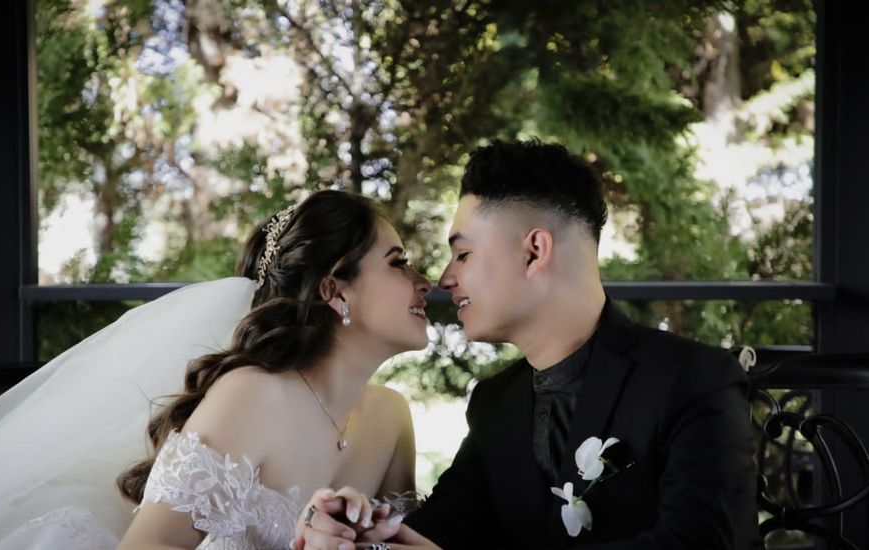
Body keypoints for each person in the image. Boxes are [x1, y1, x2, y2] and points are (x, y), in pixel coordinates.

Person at [296, 140, 762, 549]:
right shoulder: (496, 403)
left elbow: (701, 541)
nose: (445, 279)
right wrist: (361, 529)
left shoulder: (693, 379)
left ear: (534, 251)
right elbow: (443, 533)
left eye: (463, 254)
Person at [0, 190, 429, 550]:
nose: (424, 281)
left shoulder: (391, 419)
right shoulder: (252, 395)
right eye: (398, 262)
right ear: (335, 290)